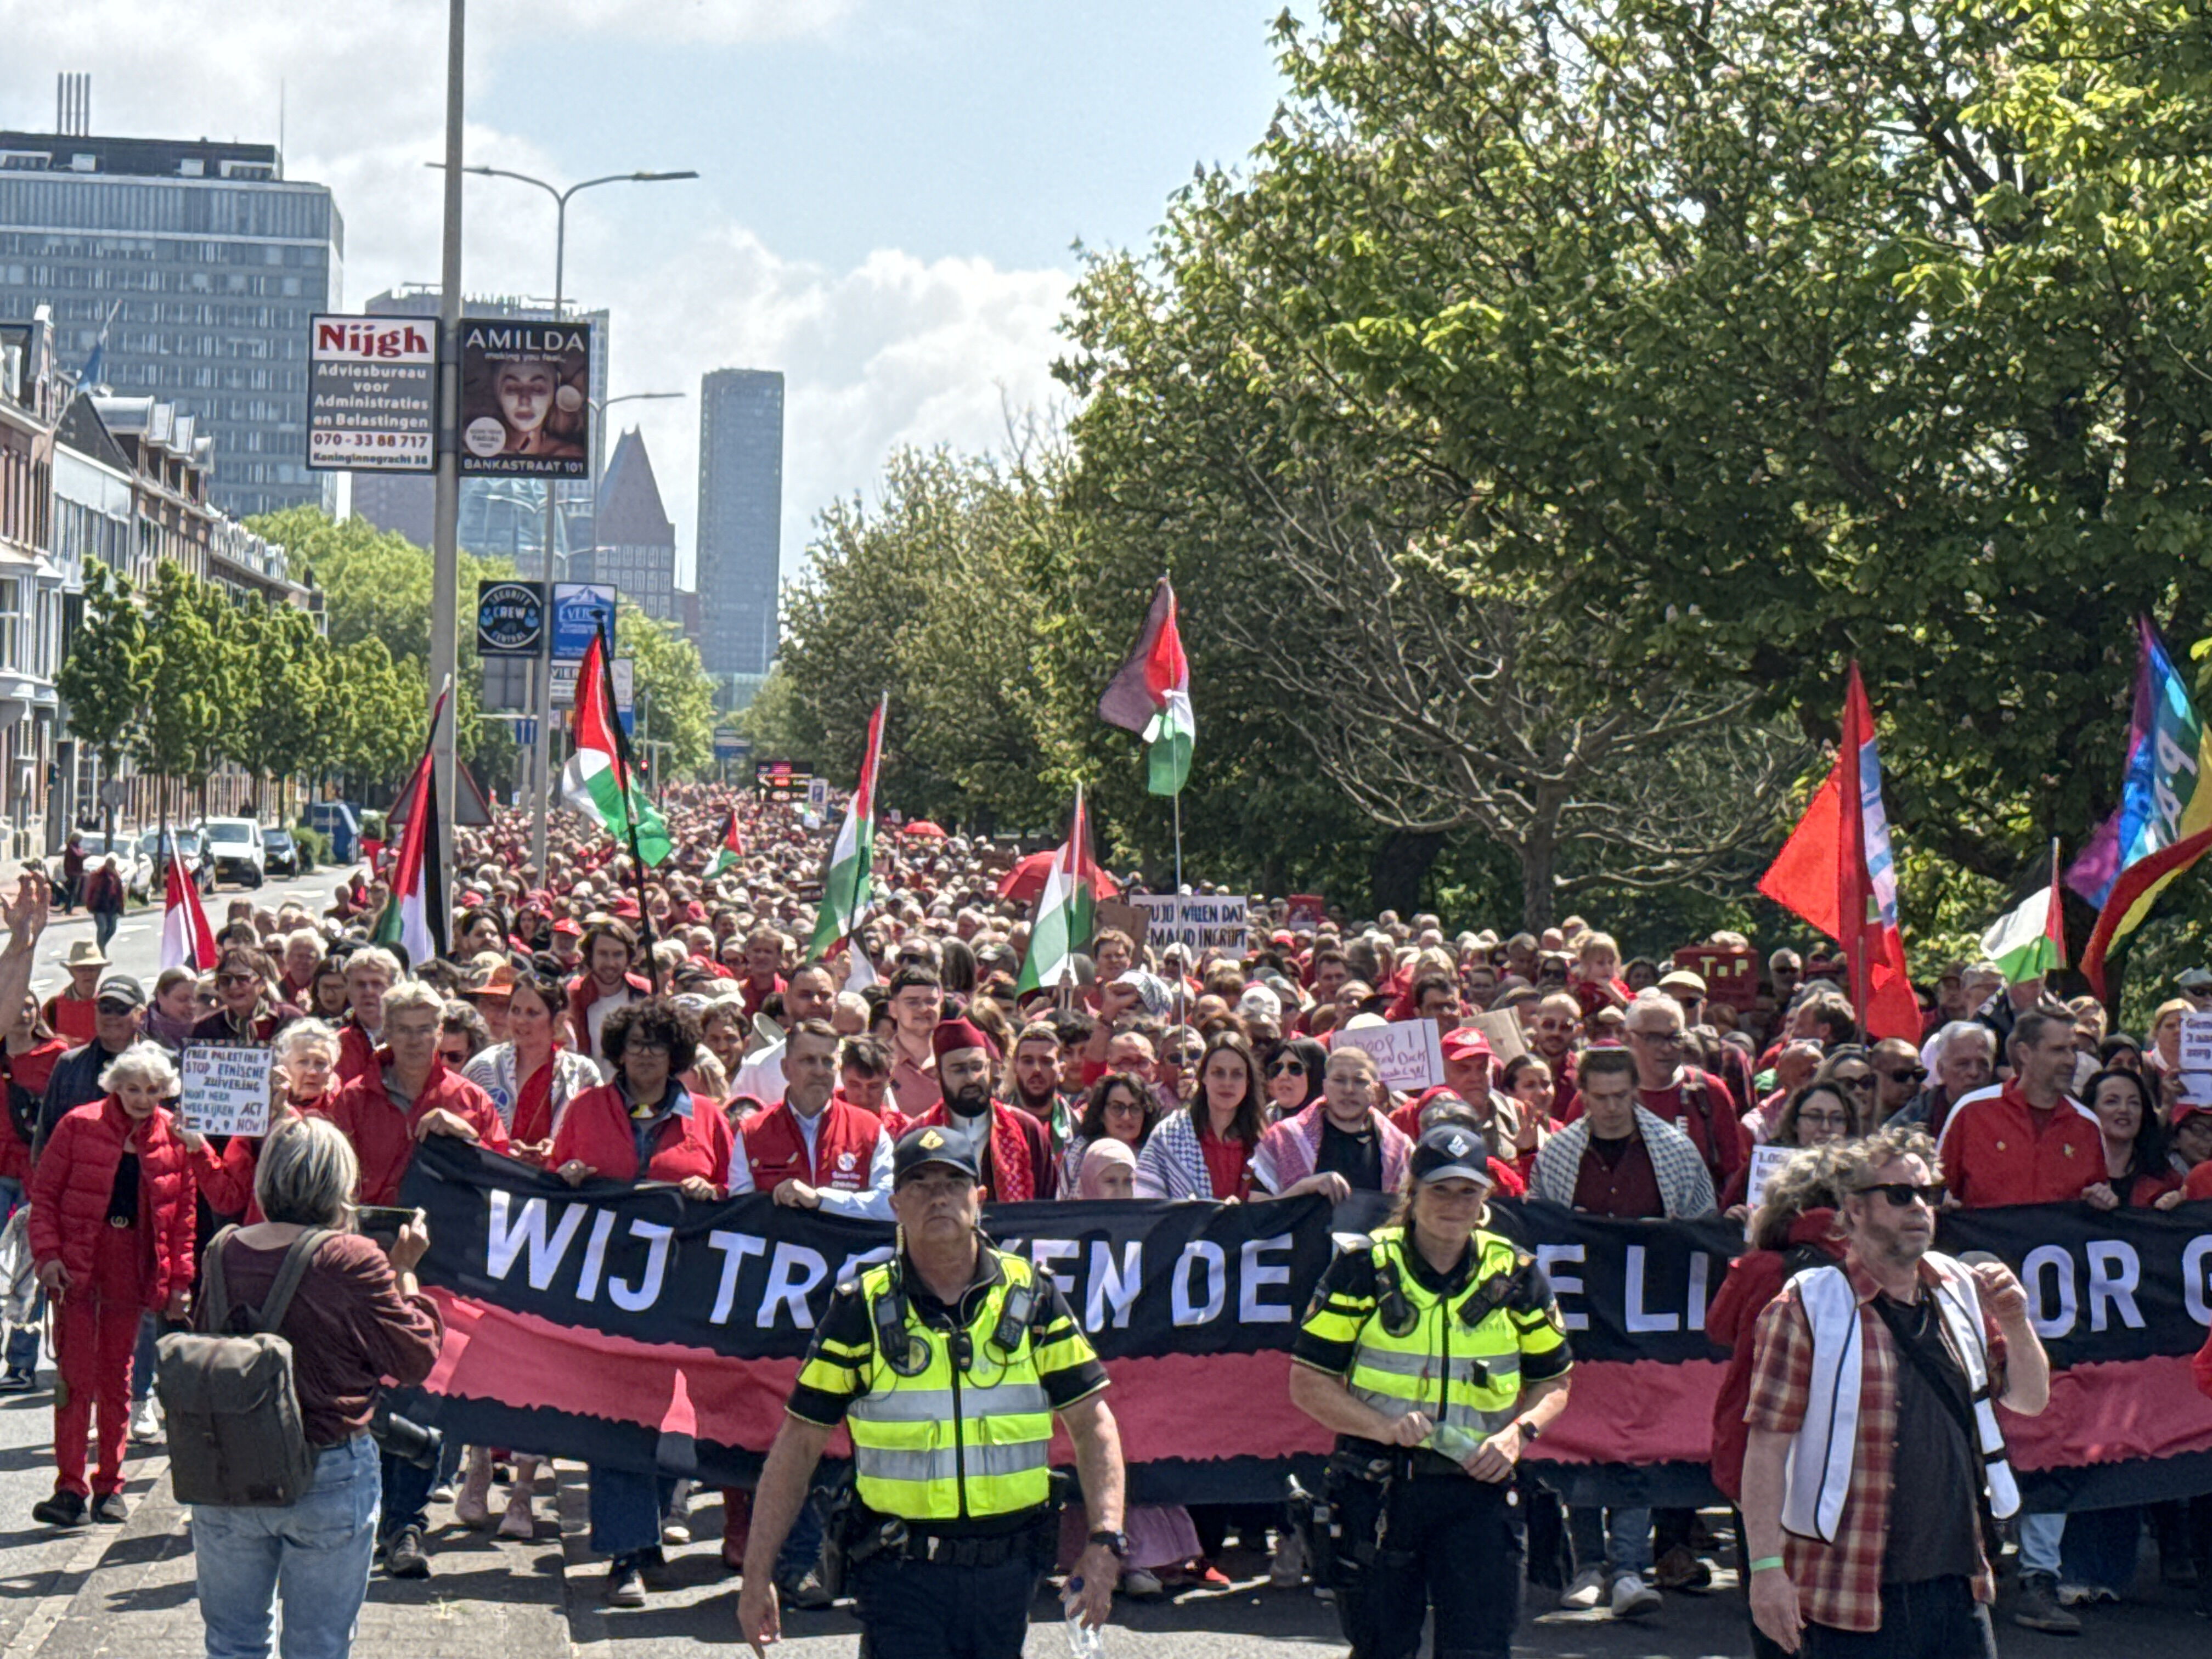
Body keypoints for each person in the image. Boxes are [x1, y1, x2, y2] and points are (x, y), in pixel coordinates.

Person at [734, 1125, 1127, 1657]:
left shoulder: (1032, 1298)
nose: (938, 1196)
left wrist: (1105, 1541)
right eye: (919, 1183)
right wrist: (757, 1576)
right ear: (895, 1203)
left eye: (953, 1181)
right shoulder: (862, 1310)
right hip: (899, 1576)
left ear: (980, 1199)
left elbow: (1093, 1421)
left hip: (1008, 1577)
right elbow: (798, 1444)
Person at [1740, 1127, 2050, 1657]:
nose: (1919, 1208)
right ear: (1854, 1210)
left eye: (1928, 1194)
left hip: (1959, 1586)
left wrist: (2017, 1323)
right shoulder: (1806, 1306)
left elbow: (2029, 1400)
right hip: (1845, 1593)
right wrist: (1766, 1571)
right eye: (1901, 1194)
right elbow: (1766, 1449)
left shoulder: (1960, 1289)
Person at [1288, 1123, 1575, 1659]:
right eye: (1439, 1189)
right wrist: (1384, 1428)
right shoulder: (1363, 1266)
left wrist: (1517, 1436)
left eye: (1468, 1191)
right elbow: (1306, 1382)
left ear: (1485, 1198)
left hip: (1479, 1493)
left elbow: (1555, 1380)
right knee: (1380, 1648)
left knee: (1480, 1650)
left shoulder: (1515, 1274)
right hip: (1381, 1489)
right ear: (1412, 1192)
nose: (1453, 1204)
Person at [187, 1116, 443, 1659]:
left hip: (229, 1464)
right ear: (338, 1184)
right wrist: (406, 1274)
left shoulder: (222, 1249)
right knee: (319, 1646)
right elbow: (415, 1357)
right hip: (327, 1466)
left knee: (232, 1643)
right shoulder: (351, 1258)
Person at [314, 979, 507, 1577]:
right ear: (386, 1033)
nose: (419, 1040)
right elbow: (329, 1180)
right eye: (406, 1028)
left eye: (429, 1028)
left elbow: (506, 1178)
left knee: (425, 1390)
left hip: (441, 1265)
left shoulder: (470, 1097)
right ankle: (367, 1516)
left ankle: (407, 1525)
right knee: (368, 1392)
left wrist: (469, 1138)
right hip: (365, 1262)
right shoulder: (349, 1097)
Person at [550, 996, 735, 1607]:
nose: (646, 1056)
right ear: (618, 1052)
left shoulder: (708, 1116)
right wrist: (569, 1175)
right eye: (635, 1045)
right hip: (606, 1290)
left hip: (684, 1292)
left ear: (676, 1054)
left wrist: (712, 1193)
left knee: (669, 1419)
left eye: (657, 1045)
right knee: (617, 1418)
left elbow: (735, 1196)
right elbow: (550, 1185)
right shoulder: (586, 1109)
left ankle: (650, 1541)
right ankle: (625, 1555)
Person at [1529, 1046, 1713, 1617]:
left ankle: (1630, 1567)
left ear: (1637, 1092)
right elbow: (1539, 1228)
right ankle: (1588, 1563)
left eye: (1621, 1096)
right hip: (1579, 1320)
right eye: (1599, 1097)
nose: (1610, 1108)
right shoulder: (1558, 1154)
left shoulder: (1677, 1154)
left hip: (1645, 1322)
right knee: (1581, 1435)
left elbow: (1701, 1232)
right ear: (1581, 1095)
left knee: (1635, 1439)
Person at [27, 1042, 196, 1526]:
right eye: (132, 1088)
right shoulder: (78, 1124)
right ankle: (69, 1487)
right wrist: (48, 1257)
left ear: (165, 1092)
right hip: (79, 1261)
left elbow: (183, 1219)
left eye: (152, 1090)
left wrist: (179, 1280)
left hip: (132, 1262)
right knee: (74, 1379)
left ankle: (110, 1486)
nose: (142, 1099)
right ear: (113, 1086)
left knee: (117, 1380)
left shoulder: (173, 1136)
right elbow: (46, 1196)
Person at [1706, 1144, 1847, 1659]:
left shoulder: (1760, 1266)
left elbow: (1718, 1329)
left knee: (1769, 1594)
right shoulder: (1864, 1261)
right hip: (1838, 1452)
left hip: (1755, 1447)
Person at [738, 1019, 894, 1219]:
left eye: (827, 1061)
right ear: (786, 1068)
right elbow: (739, 1214)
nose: (819, 1071)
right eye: (808, 1061)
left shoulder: (871, 1130)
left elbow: (890, 1206)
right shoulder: (751, 1132)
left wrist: (822, 1200)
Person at [888, 1017, 1054, 1200]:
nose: (971, 1078)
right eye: (958, 1069)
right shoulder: (917, 1135)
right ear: (939, 1075)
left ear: (989, 1069)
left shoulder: (1026, 1129)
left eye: (977, 1067)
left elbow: (1047, 1208)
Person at [461, 967, 598, 1159]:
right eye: (515, 1011)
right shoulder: (483, 1067)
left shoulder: (583, 1073)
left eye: (532, 1013)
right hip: (496, 1180)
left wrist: (560, 1147)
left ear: (557, 1020)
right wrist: (501, 1148)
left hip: (558, 1182)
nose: (521, 1021)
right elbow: (464, 1131)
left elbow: (596, 1134)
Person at [1253, 1042, 1414, 1200]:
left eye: (1359, 1081)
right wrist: (1304, 1188)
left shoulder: (1399, 1148)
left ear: (1375, 1090)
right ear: (1325, 1085)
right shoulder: (1284, 1138)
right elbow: (1256, 1203)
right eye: (1339, 1080)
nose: (1348, 1090)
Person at [1136, 1030, 1267, 1200]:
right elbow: (1148, 1200)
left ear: (1248, 1081)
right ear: (1203, 1077)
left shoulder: (1264, 1139)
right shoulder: (1170, 1134)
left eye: (1237, 1074)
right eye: (1218, 1073)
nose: (1227, 1083)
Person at [1888, 1022, 1994, 1139]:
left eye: (1983, 1064)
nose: (1974, 1073)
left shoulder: (2005, 1113)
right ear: (1941, 1070)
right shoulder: (1911, 1122)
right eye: (1963, 1064)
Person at [1058, 1070, 1159, 1193]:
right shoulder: (1080, 1152)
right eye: (1117, 1108)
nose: (1126, 1117)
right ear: (1101, 1112)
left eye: (1135, 1109)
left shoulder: (1155, 1156)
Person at [43, 939, 108, 1046]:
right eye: (81, 969)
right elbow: (40, 1043)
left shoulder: (110, 1004)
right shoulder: (53, 1007)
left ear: (100, 971)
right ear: (71, 972)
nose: (87, 974)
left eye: (92, 969)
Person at [83, 855, 125, 955]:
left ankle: (100, 946)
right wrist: (90, 904)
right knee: (102, 928)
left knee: (112, 929)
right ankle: (101, 951)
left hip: (112, 907)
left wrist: (121, 908)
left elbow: (120, 894)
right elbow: (91, 891)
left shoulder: (116, 876)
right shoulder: (99, 875)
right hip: (100, 906)